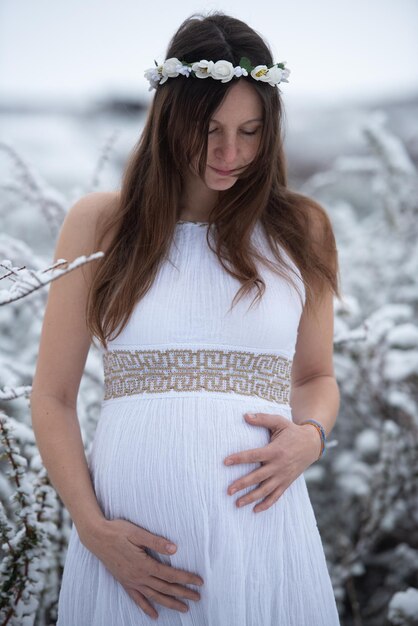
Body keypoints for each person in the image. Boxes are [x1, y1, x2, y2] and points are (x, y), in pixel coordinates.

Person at [31, 11, 342, 626]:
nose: (232, 153)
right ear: (170, 119)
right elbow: (53, 395)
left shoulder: (301, 228)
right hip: (129, 544)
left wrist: (311, 438)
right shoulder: (100, 223)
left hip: (262, 532)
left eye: (251, 131)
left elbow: (316, 378)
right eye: (210, 130)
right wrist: (93, 531)